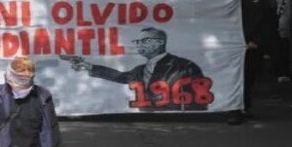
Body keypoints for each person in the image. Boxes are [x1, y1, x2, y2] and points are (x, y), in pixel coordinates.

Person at [65, 28, 208, 112]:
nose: (139, 45)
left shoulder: (184, 66)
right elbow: (121, 77)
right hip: (149, 113)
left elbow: (199, 98)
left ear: (160, 42)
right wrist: (89, 66)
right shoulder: (141, 69)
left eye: (144, 41)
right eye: (137, 42)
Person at [229, 0, 278, 125]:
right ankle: (234, 109)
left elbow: (269, 22)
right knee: (233, 77)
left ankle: (244, 105)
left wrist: (258, 41)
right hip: (231, 43)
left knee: (248, 77)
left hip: (252, 44)